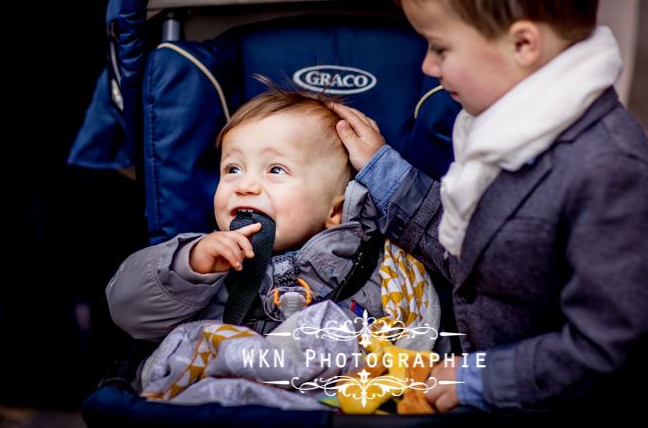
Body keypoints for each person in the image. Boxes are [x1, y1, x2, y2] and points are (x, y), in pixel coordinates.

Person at [331, 0, 648, 424]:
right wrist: (385, 176)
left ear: (523, 42)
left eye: (441, 47)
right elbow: (483, 257)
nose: (428, 65)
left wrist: (477, 378)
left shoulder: (613, 176)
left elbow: (609, 346)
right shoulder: (507, 130)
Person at [107, 86, 439, 343]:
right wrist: (189, 265)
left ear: (335, 210)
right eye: (233, 168)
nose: (246, 185)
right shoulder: (210, 263)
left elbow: (403, 343)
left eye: (276, 169)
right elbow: (127, 311)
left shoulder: (375, 271)